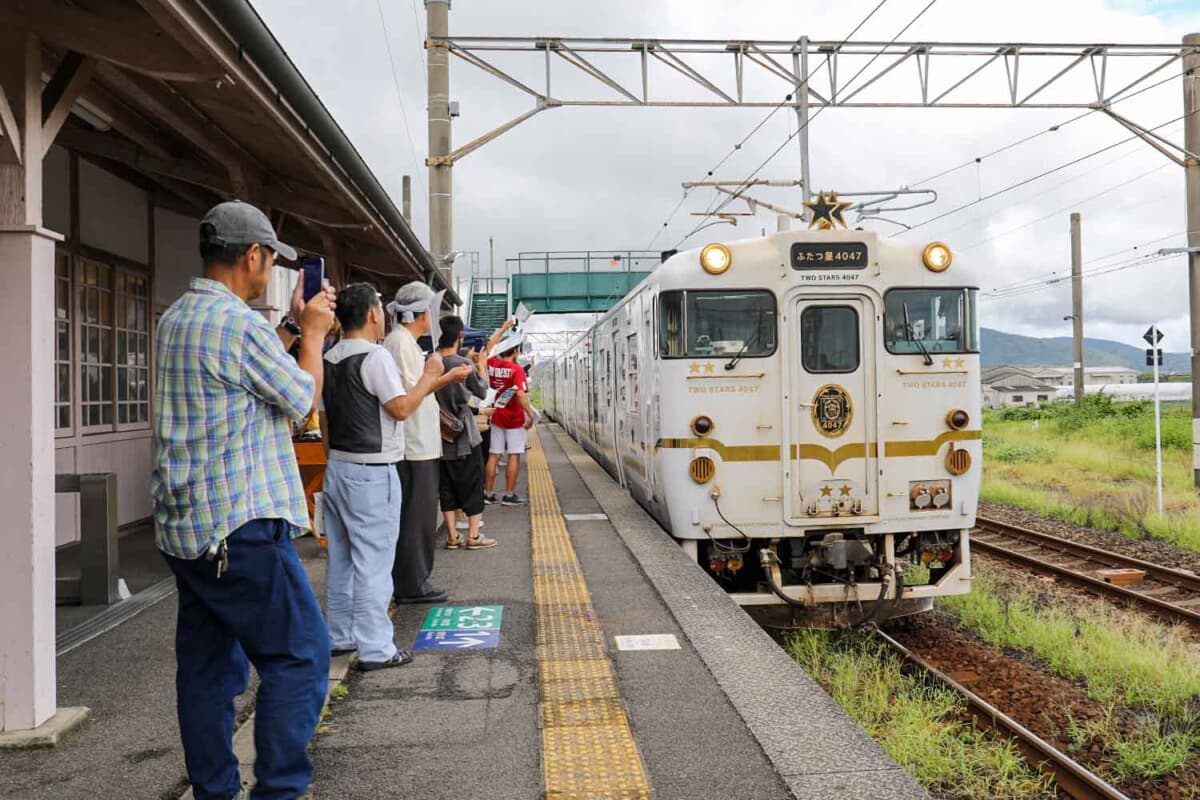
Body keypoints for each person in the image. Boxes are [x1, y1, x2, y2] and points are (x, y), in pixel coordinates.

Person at [151, 201, 335, 800]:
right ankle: (279, 789)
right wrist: (310, 334)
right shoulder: (239, 327)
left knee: (207, 672)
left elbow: (241, 378)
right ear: (252, 255)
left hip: (188, 529)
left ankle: (215, 790)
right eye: (268, 259)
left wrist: (284, 330)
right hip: (241, 527)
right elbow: (302, 400)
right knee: (300, 656)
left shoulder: (176, 318)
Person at [319, 283, 454, 671]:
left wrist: (335, 458)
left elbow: (325, 420)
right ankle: (377, 648)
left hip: (339, 467)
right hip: (373, 470)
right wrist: (429, 377)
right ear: (373, 314)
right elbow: (399, 408)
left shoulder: (329, 357)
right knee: (375, 563)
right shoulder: (375, 357)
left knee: (342, 560)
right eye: (380, 307)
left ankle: (340, 636)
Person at [384, 282, 470, 604]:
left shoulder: (404, 343)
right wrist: (439, 374)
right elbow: (410, 397)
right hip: (413, 446)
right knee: (415, 519)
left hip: (420, 444)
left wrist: (441, 376)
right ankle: (411, 584)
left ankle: (414, 580)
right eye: (429, 312)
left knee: (418, 516)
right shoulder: (401, 344)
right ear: (421, 314)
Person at [434, 315, 494, 549]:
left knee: (446, 486)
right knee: (472, 483)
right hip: (465, 433)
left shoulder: (432, 361)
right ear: (460, 336)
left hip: (440, 432)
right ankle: (474, 535)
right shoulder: (464, 365)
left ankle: (451, 536)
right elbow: (482, 391)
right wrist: (479, 365)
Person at [485, 334, 537, 505]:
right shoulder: (517, 370)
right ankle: (508, 494)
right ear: (515, 351)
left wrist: (503, 330)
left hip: (496, 415)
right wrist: (530, 414)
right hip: (514, 418)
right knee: (514, 454)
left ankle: (488, 493)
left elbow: (488, 349)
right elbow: (520, 394)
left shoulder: (491, 364)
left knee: (494, 455)